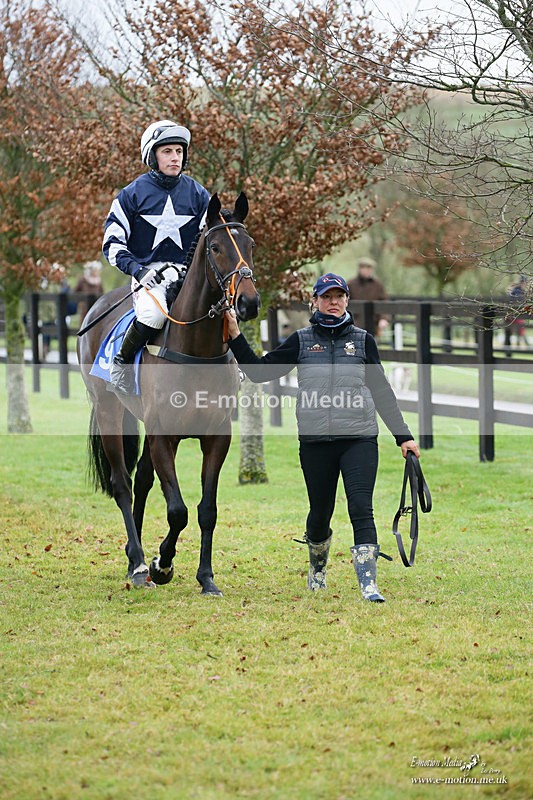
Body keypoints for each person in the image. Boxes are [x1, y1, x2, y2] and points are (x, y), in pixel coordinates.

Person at [224, 272, 420, 603]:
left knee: (361, 506)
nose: (333, 303)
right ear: (314, 301)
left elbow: (382, 392)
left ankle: (368, 584)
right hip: (316, 443)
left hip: (359, 439)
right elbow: (258, 372)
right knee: (320, 513)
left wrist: (404, 437)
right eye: (326, 297)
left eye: (339, 296)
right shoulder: (301, 340)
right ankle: (317, 570)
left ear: (347, 300)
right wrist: (234, 335)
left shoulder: (362, 341)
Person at [102, 119, 210, 392]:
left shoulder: (198, 194)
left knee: (221, 309)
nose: (175, 157)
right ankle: (121, 364)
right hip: (149, 276)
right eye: (167, 151)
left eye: (179, 151)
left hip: (189, 276)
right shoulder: (130, 195)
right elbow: (112, 244)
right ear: (152, 155)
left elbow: (211, 240)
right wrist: (138, 271)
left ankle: (234, 367)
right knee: (152, 316)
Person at [347, 257, 389, 337]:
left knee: (372, 347)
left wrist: (383, 319)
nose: (366, 270)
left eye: (369, 268)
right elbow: (345, 302)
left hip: (373, 324)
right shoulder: (351, 284)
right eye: (364, 267)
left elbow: (384, 302)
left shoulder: (377, 284)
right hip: (355, 324)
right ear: (359, 269)